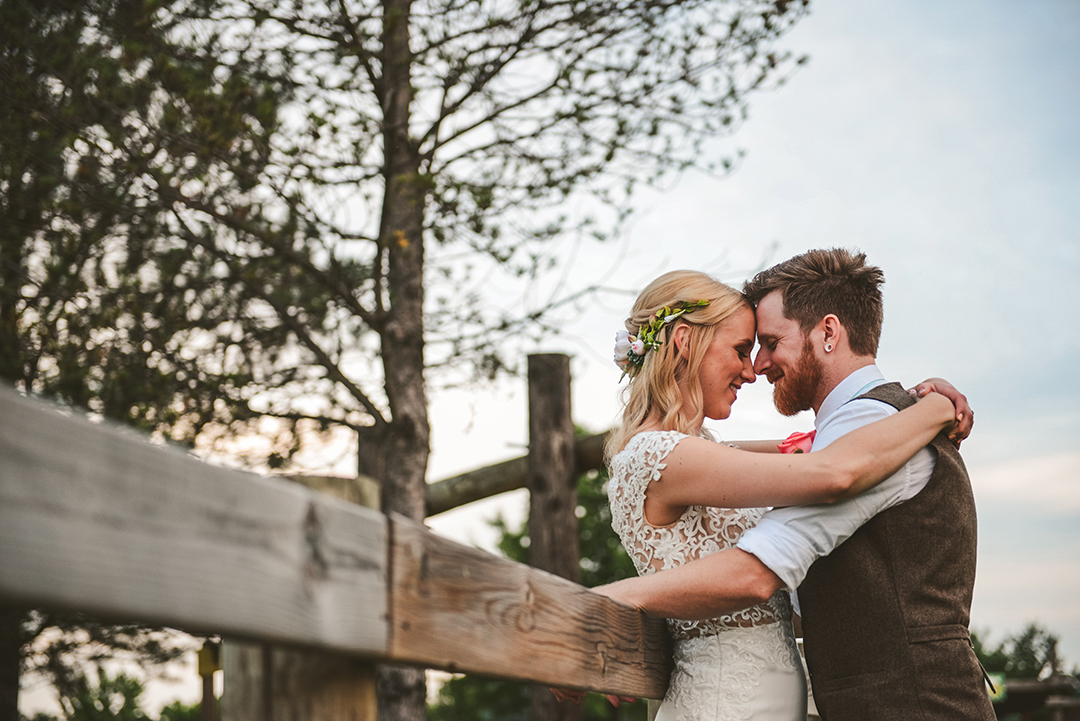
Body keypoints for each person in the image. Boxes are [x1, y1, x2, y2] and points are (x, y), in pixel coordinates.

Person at [595, 251, 995, 721]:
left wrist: (913, 402)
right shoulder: (665, 455)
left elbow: (802, 452)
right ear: (685, 342)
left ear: (828, 332)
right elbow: (827, 472)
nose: (754, 368)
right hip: (727, 700)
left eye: (764, 344)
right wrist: (933, 409)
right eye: (743, 349)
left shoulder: (708, 451)